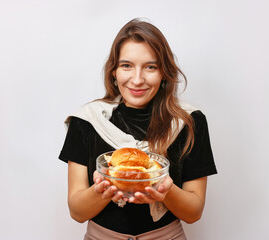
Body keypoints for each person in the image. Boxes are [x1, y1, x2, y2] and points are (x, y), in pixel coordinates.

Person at [59, 18, 217, 240]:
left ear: (164, 72)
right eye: (126, 66)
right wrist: (102, 191)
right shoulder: (86, 121)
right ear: (114, 71)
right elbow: (76, 212)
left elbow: (194, 212)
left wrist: (166, 190)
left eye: (150, 67)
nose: (137, 79)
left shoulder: (189, 122)